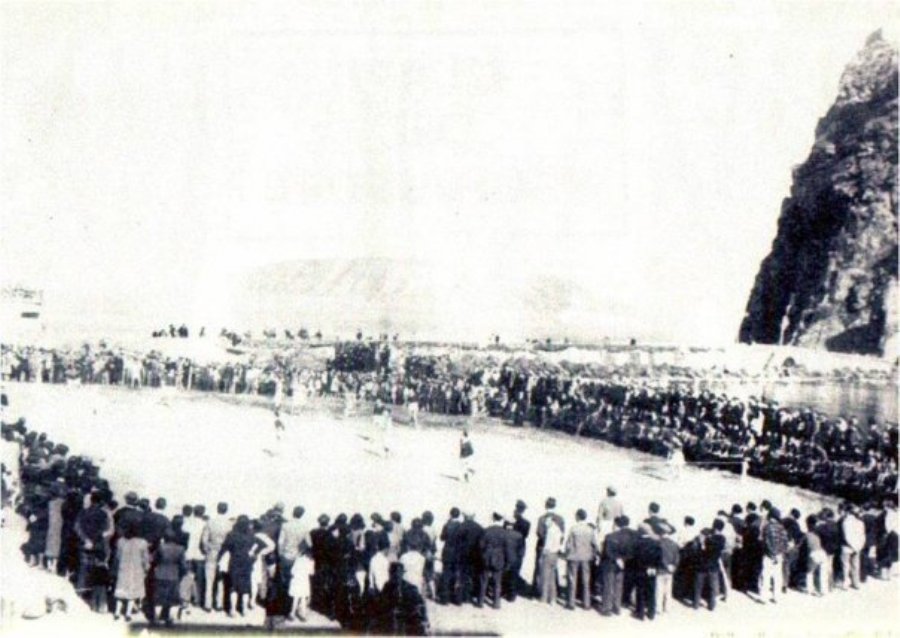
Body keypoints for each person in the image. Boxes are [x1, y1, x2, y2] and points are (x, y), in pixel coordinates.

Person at [368, 562, 430, 636]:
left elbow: (420, 606)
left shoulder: (411, 588)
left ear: (402, 574)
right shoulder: (388, 586)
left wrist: (423, 620)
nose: (395, 576)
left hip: (408, 620)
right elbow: (382, 604)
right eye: (392, 574)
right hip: (392, 620)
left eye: (397, 574)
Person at [112, 521, 150, 621]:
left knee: (120, 591)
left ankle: (117, 612)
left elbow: (117, 556)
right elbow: (145, 559)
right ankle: (128, 614)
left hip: (123, 568)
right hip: (136, 570)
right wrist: (146, 568)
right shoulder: (142, 542)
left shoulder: (120, 541)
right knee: (132, 593)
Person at [151, 529, 188, 626]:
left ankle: (156, 618)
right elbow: (183, 565)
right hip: (173, 575)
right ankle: (171, 619)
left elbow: (153, 560)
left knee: (158, 598)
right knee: (173, 599)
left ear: (165, 538)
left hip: (160, 574)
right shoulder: (181, 549)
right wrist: (183, 573)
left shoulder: (160, 547)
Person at [201, 501, 232, 611]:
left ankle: (207, 604)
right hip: (224, 554)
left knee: (209, 580)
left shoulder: (210, 522)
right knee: (221, 580)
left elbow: (204, 540)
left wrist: (207, 550)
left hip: (211, 552)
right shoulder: (229, 524)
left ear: (217, 509)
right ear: (226, 510)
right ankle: (219, 604)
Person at [564, 508, 597, 611]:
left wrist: (566, 553)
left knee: (572, 579)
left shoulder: (573, 529)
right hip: (586, 557)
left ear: (577, 516)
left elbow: (568, 544)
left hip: (574, 556)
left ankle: (571, 603)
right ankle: (586, 603)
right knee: (586, 580)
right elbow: (594, 544)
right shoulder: (590, 529)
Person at [478, 513, 507, 608]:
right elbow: (506, 547)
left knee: (483, 580)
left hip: (487, 556)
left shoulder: (487, 530)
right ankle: (496, 603)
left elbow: (481, 545)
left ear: (493, 518)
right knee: (497, 581)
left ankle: (480, 602)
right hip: (499, 557)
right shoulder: (504, 532)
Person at [760, 509, 789, 604]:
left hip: (769, 555)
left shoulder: (767, 527)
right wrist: (780, 554)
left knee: (766, 575)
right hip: (779, 555)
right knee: (777, 576)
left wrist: (772, 554)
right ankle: (776, 596)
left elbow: (766, 542)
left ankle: (764, 597)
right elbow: (785, 543)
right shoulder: (782, 528)